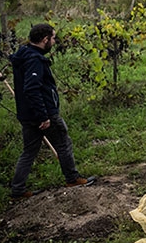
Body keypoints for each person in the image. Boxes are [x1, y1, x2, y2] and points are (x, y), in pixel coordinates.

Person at [9, 23, 96, 199]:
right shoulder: (35, 60)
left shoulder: (23, 55)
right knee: (63, 143)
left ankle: (17, 189)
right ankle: (72, 178)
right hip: (43, 113)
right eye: (53, 38)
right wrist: (44, 116)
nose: (55, 41)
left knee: (29, 151)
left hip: (26, 113)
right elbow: (32, 88)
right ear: (44, 40)